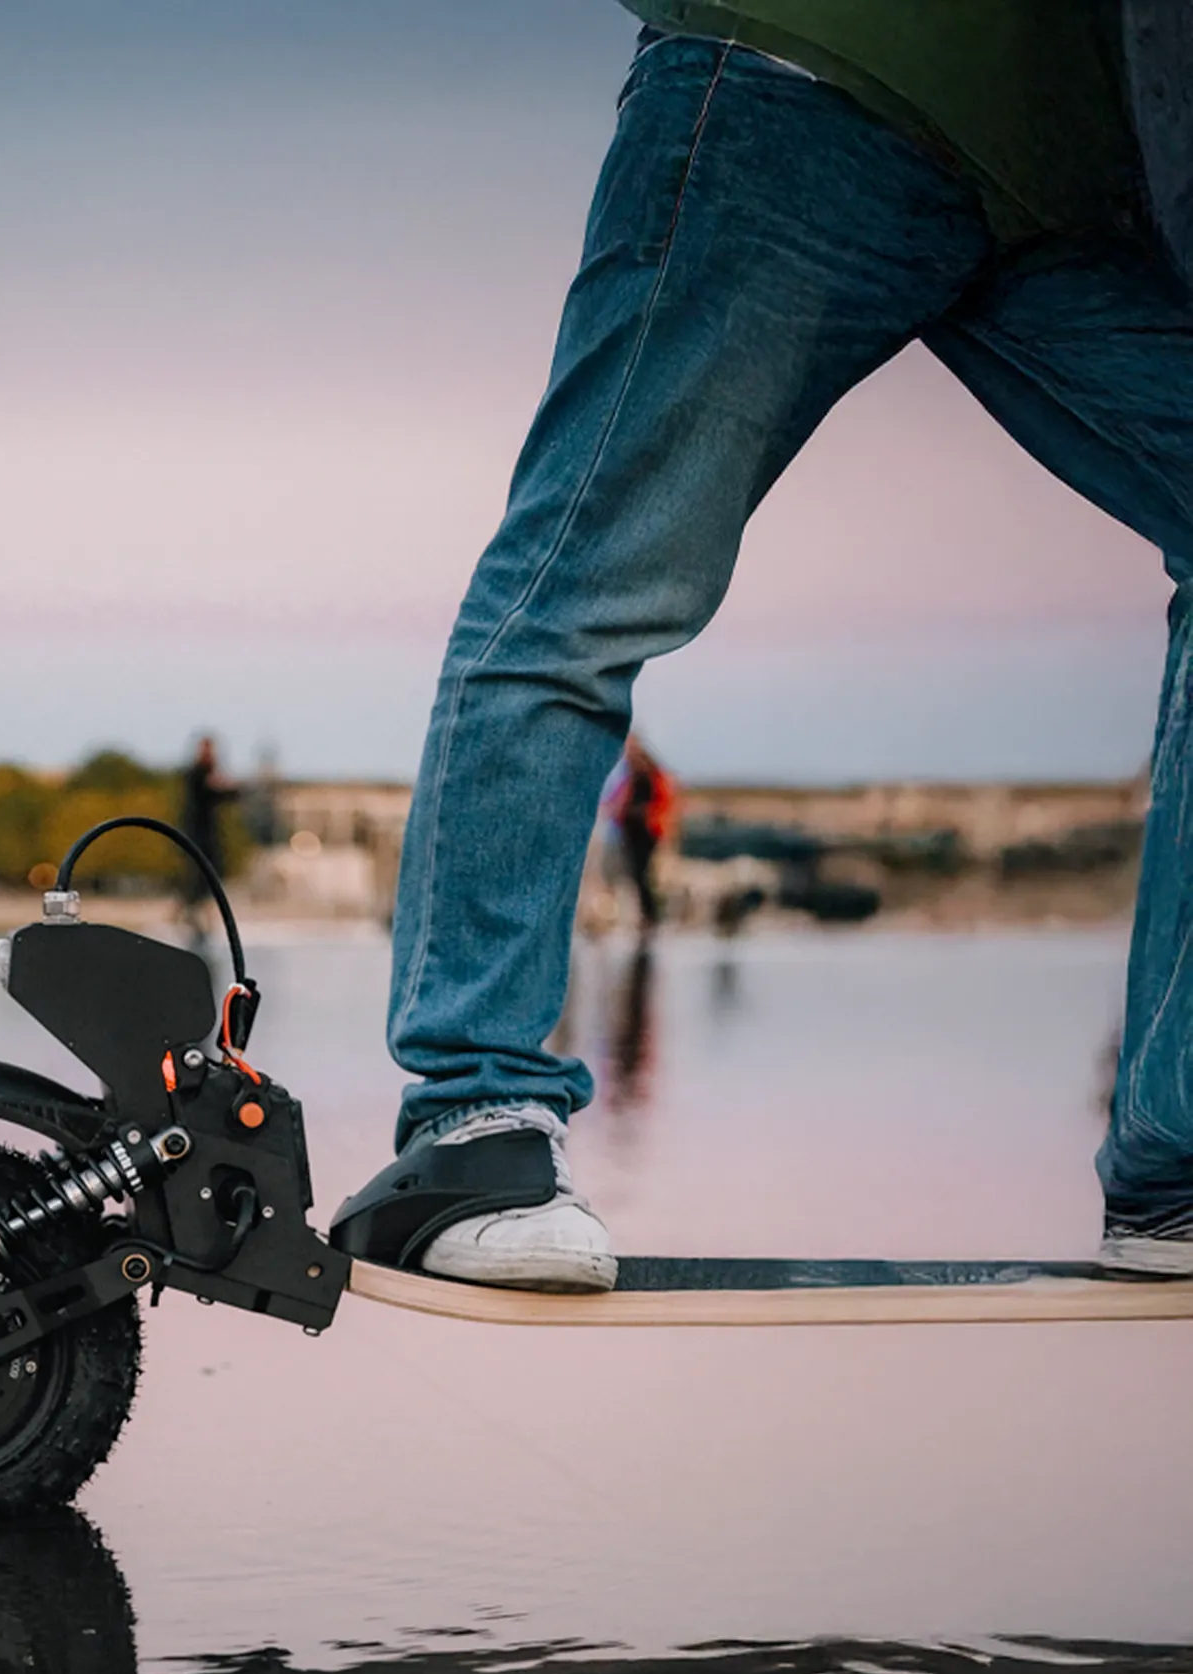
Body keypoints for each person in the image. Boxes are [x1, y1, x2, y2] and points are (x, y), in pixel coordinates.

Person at [353, 4, 1193, 1290]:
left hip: (1058, 179)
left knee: (593, 579)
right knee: (597, 574)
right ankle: (473, 1117)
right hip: (809, 79)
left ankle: (1177, 1162)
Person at [601, 732, 679, 930]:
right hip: (632, 831)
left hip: (645, 832)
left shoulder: (648, 775)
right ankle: (647, 915)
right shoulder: (630, 776)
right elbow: (618, 800)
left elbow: (660, 803)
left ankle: (651, 916)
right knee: (636, 874)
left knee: (642, 874)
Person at [178, 734, 238, 912]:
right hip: (197, 830)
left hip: (207, 830)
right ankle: (191, 907)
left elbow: (229, 795)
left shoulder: (207, 773)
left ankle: (198, 906)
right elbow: (206, 793)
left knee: (210, 869)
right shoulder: (197, 774)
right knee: (198, 871)